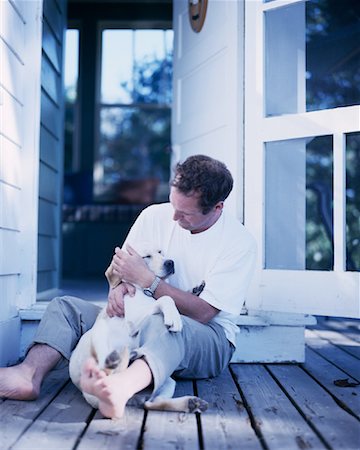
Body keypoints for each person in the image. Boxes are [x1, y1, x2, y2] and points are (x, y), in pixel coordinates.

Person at [0, 155, 256, 418]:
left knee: (165, 323)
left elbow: (203, 313)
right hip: (138, 320)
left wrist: (149, 281)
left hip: (206, 337)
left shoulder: (238, 243)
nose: (175, 216)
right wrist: (118, 290)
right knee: (65, 307)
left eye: (186, 213)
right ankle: (27, 375)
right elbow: (121, 270)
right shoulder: (154, 216)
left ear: (217, 208)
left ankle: (120, 387)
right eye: (173, 204)